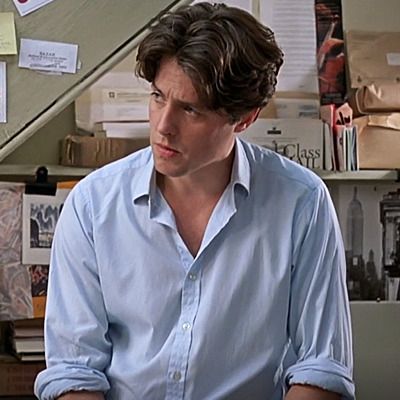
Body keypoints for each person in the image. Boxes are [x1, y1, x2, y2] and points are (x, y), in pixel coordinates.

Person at [34, 2, 354, 399]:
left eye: (190, 109)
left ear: (244, 118)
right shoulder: (92, 206)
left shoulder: (301, 203)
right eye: (157, 97)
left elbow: (321, 368)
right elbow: (73, 372)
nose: (163, 126)